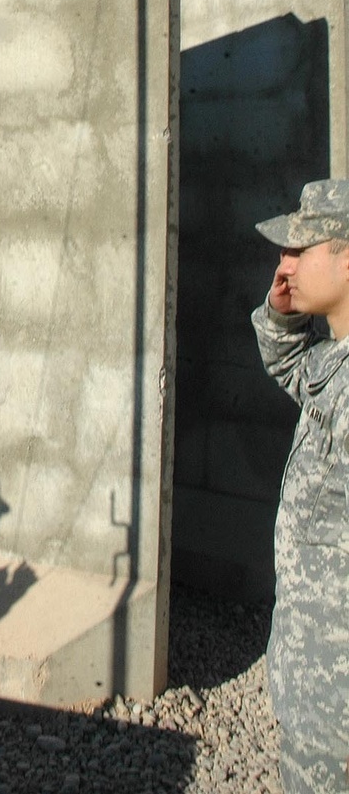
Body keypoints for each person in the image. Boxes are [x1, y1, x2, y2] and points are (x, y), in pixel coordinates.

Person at [253, 179, 349, 793]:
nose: (284, 263)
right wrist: (281, 318)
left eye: (301, 249)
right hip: (316, 677)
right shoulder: (334, 360)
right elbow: (295, 370)